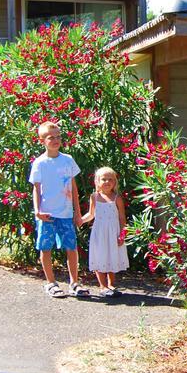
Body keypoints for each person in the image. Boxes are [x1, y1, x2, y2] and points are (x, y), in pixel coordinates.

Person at [29, 121, 88, 298]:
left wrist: (77, 213)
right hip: (47, 214)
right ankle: (51, 283)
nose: (55, 140)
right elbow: (36, 189)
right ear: (42, 141)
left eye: (58, 137)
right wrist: (37, 210)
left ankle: (74, 283)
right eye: (50, 138)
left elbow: (74, 188)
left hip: (66, 213)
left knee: (71, 247)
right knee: (46, 247)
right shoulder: (40, 163)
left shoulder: (67, 160)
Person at [80, 166, 130, 297]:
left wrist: (122, 234)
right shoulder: (94, 197)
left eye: (110, 179)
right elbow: (91, 215)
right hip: (99, 233)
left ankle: (111, 284)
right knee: (100, 256)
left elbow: (122, 217)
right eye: (104, 179)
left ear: (115, 182)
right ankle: (102, 286)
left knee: (111, 256)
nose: (107, 182)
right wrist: (80, 220)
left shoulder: (116, 198)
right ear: (97, 181)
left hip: (113, 233)